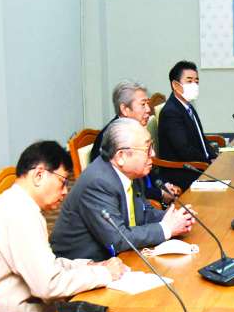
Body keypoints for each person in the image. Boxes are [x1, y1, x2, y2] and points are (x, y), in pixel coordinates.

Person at [0, 141, 126, 312]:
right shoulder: (18, 214)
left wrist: (91, 266)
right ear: (39, 175)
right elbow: (48, 285)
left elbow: (47, 264)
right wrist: (104, 274)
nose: (65, 191)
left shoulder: (19, 206)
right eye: (62, 182)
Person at [51, 118, 194, 261]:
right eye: (147, 148)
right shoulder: (98, 183)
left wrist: (176, 218)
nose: (153, 154)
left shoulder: (131, 172)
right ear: (121, 156)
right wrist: (166, 229)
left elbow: (145, 212)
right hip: (84, 265)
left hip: (121, 257)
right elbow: (117, 239)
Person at [89, 80, 181, 203]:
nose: (148, 109)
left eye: (148, 103)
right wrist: (160, 194)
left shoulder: (135, 130)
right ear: (124, 109)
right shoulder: (112, 139)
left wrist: (164, 185)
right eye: (143, 104)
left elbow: (148, 169)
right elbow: (123, 186)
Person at [157, 60, 217, 189]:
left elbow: (201, 138)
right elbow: (184, 150)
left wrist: (214, 157)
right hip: (182, 172)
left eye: (196, 81)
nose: (194, 85)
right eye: (189, 81)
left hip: (197, 165)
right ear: (175, 85)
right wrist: (208, 162)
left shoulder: (187, 106)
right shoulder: (171, 112)